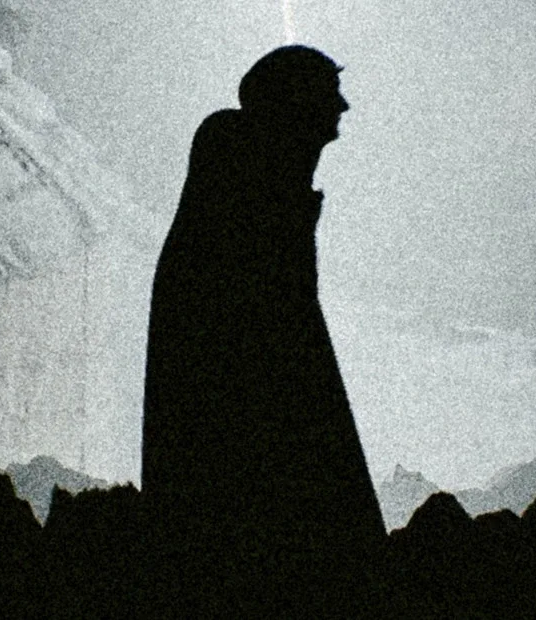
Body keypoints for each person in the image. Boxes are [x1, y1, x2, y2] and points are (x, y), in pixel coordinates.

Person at [141, 46, 385, 599]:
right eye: (330, 93)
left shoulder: (252, 164)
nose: (343, 107)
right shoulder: (236, 151)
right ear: (295, 101)